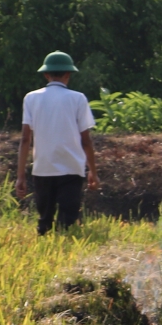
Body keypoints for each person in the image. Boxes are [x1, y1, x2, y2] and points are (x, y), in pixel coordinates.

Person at [13, 51, 99, 234]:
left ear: (46, 74)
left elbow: (25, 139)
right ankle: (67, 253)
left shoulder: (31, 98)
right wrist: (92, 171)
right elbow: (86, 141)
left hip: (43, 168)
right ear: (68, 74)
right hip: (71, 168)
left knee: (44, 221)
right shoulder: (77, 98)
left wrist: (21, 175)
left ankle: (45, 252)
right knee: (67, 222)